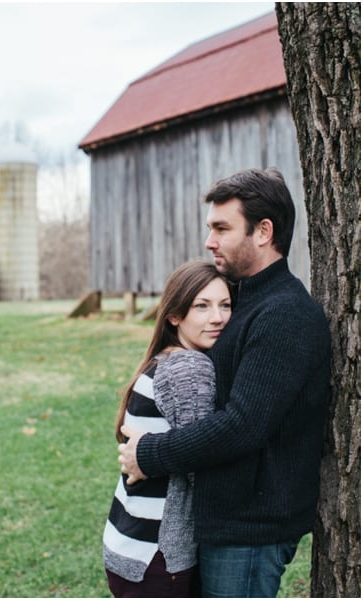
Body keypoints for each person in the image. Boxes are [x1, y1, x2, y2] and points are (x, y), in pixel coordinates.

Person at [118, 168, 331, 597]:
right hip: (224, 522)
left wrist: (149, 454)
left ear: (263, 232)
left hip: (250, 529)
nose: (209, 240)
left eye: (221, 228)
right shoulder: (243, 300)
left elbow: (242, 425)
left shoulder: (284, 314)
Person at [104, 260, 231, 597]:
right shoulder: (189, 368)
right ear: (175, 315)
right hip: (158, 557)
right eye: (201, 306)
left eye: (225, 305)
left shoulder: (164, 357)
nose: (217, 317)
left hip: (129, 543)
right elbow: (201, 461)